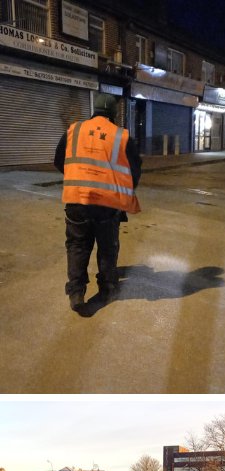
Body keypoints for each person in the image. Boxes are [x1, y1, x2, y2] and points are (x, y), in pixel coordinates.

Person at [54, 93, 142, 314]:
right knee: (107, 247)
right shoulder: (121, 136)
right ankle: (107, 288)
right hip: (107, 204)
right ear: (113, 114)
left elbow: (58, 160)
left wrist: (81, 177)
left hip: (77, 200)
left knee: (77, 245)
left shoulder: (74, 130)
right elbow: (134, 172)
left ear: (93, 110)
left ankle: (76, 292)